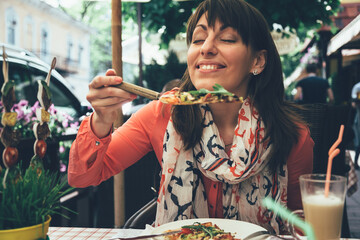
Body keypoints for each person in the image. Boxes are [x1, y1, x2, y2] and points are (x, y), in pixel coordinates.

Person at [68, 0, 313, 234]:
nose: (206, 48)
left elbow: (297, 224)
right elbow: (82, 177)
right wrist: (101, 119)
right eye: (198, 39)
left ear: (257, 61)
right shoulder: (163, 114)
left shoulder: (292, 135)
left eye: (227, 38)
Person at [351, 82, 360, 169]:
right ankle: (355, 162)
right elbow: (354, 104)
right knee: (358, 142)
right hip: (358, 120)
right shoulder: (357, 87)